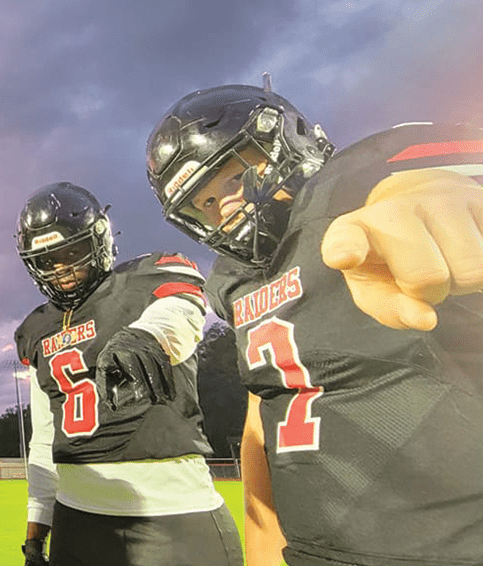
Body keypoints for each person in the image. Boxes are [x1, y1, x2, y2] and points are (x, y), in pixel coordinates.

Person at [145, 80, 483, 566]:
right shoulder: (233, 282)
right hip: (314, 551)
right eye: (206, 203)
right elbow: (263, 418)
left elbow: (430, 182)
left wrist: (432, 191)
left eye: (235, 177)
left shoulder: (357, 183)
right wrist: (263, 549)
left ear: (290, 138)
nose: (228, 206)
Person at [14, 182, 243, 566]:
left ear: (99, 241)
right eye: (49, 260)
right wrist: (37, 529)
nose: (63, 269)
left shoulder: (143, 279)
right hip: (76, 517)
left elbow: (183, 310)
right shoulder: (36, 329)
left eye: (73, 252)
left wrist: (148, 335)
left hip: (170, 512)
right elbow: (44, 437)